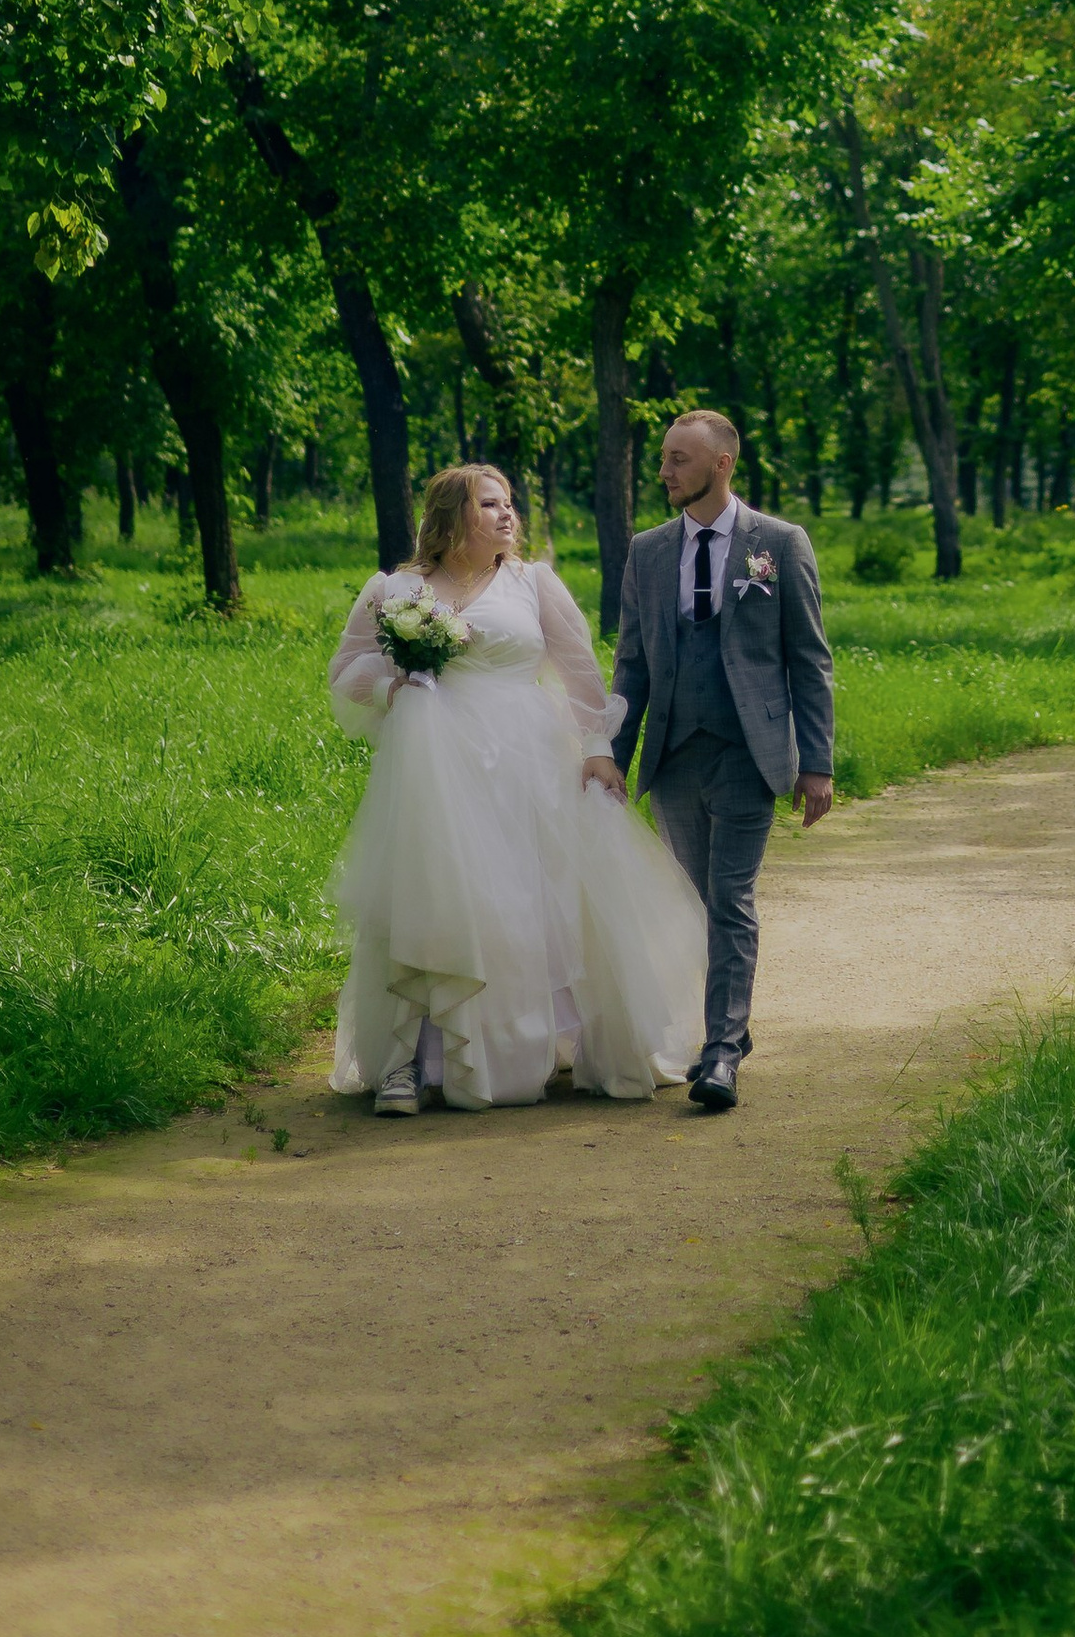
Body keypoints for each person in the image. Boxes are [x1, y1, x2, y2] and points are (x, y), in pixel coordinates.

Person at [326, 461, 705, 1115]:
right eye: (490, 504)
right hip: (432, 775)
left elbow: (583, 677)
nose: (507, 515)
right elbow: (347, 671)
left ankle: (526, 1046)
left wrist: (595, 749)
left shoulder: (533, 583)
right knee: (434, 898)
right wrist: (396, 688)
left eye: (509, 504)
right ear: (451, 518)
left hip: (528, 770)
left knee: (527, 905)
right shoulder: (397, 588)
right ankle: (408, 1062)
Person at [600, 408, 834, 1115]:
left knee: (730, 900)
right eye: (665, 458)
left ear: (721, 464)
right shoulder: (647, 551)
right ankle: (730, 1024)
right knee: (692, 903)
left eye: (678, 459)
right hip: (673, 753)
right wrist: (611, 754)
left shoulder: (780, 544)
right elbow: (631, 663)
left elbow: (809, 659)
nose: (665, 471)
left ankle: (722, 1051)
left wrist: (816, 762)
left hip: (747, 751)